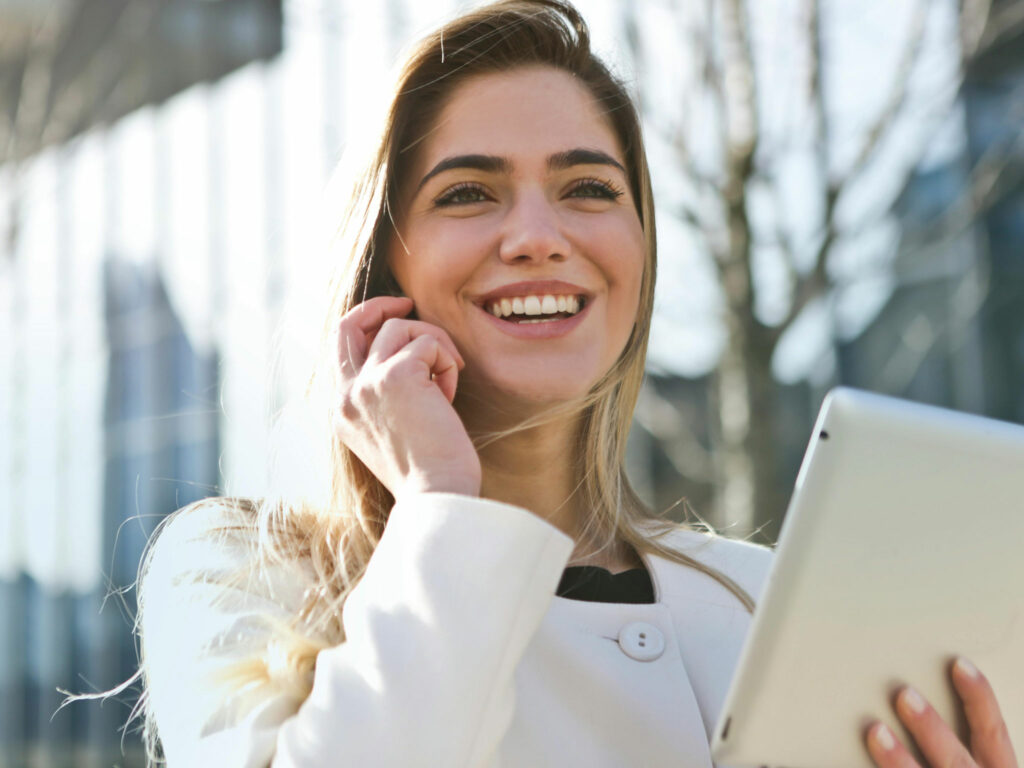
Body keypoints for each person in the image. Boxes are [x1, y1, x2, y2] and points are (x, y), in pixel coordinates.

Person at [134, 2, 1017, 766]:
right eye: (469, 193)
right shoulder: (237, 573)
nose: (537, 236)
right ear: (380, 265)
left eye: (588, 187)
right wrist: (442, 504)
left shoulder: (763, 600)